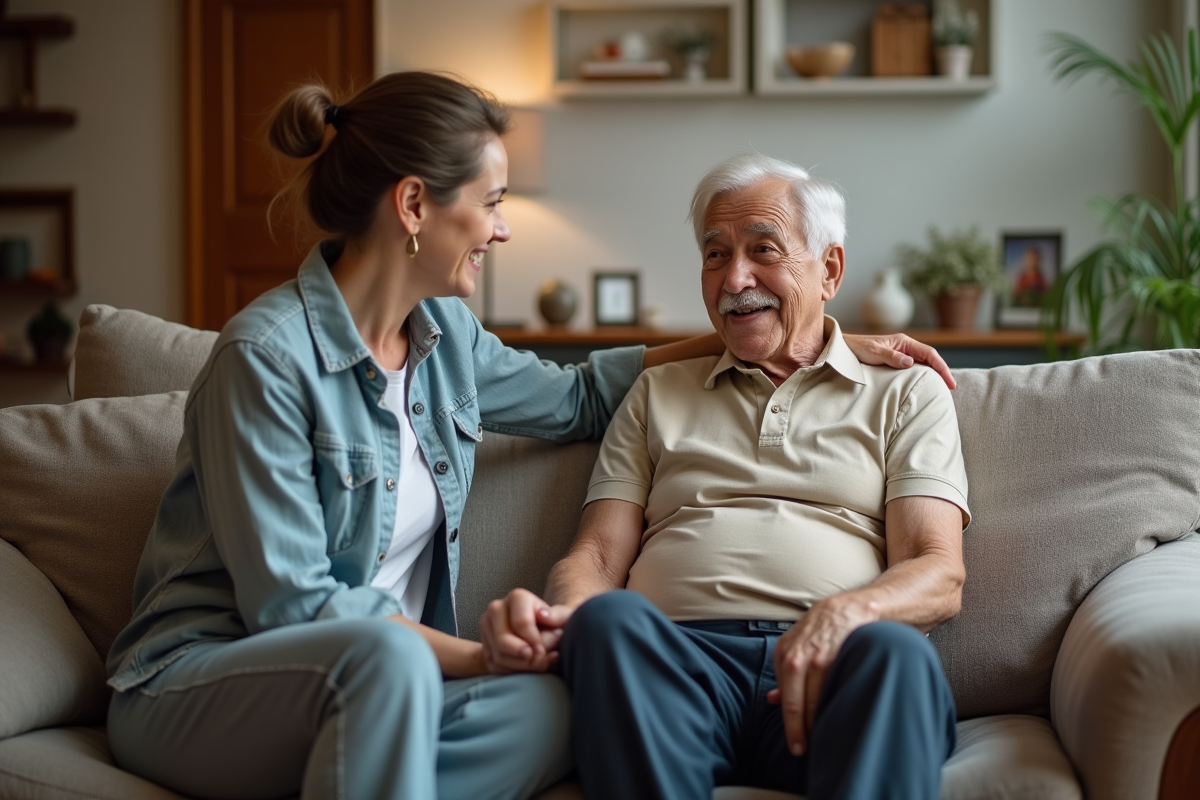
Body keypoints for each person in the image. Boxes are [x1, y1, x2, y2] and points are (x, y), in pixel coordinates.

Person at [105, 73, 955, 800]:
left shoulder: (444, 338)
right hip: (215, 675)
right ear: (413, 206)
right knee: (403, 666)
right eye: (493, 203)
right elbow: (295, 608)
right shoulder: (264, 359)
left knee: (555, 709)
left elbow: (580, 397)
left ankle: (356, 768)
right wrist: (479, 658)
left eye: (762, 256)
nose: (503, 228)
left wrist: (792, 330)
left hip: (382, 682)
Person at [480, 154, 971, 800]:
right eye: (716, 256)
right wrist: (573, 616)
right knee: (607, 621)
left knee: (897, 655)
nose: (736, 278)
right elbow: (595, 556)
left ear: (829, 269)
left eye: (763, 250)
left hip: (829, 668)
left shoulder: (906, 393)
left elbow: (939, 570)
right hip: (677, 670)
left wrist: (846, 613)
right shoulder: (656, 393)